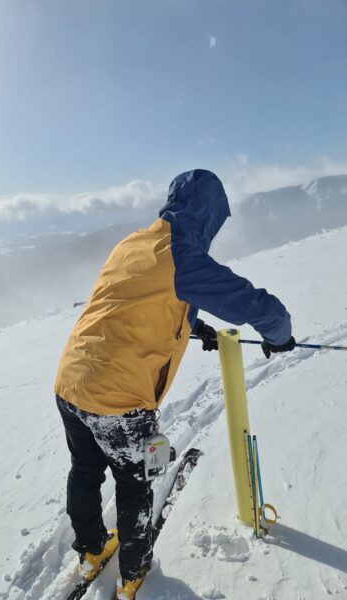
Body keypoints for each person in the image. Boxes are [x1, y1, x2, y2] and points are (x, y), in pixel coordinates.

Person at [54, 169, 295, 599]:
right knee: (134, 482)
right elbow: (249, 302)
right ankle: (133, 577)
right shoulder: (182, 252)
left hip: (71, 382)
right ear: (209, 216)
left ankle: (91, 551)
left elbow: (138, 297)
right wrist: (280, 335)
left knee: (85, 470)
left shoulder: (134, 241)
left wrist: (191, 325)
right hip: (116, 398)